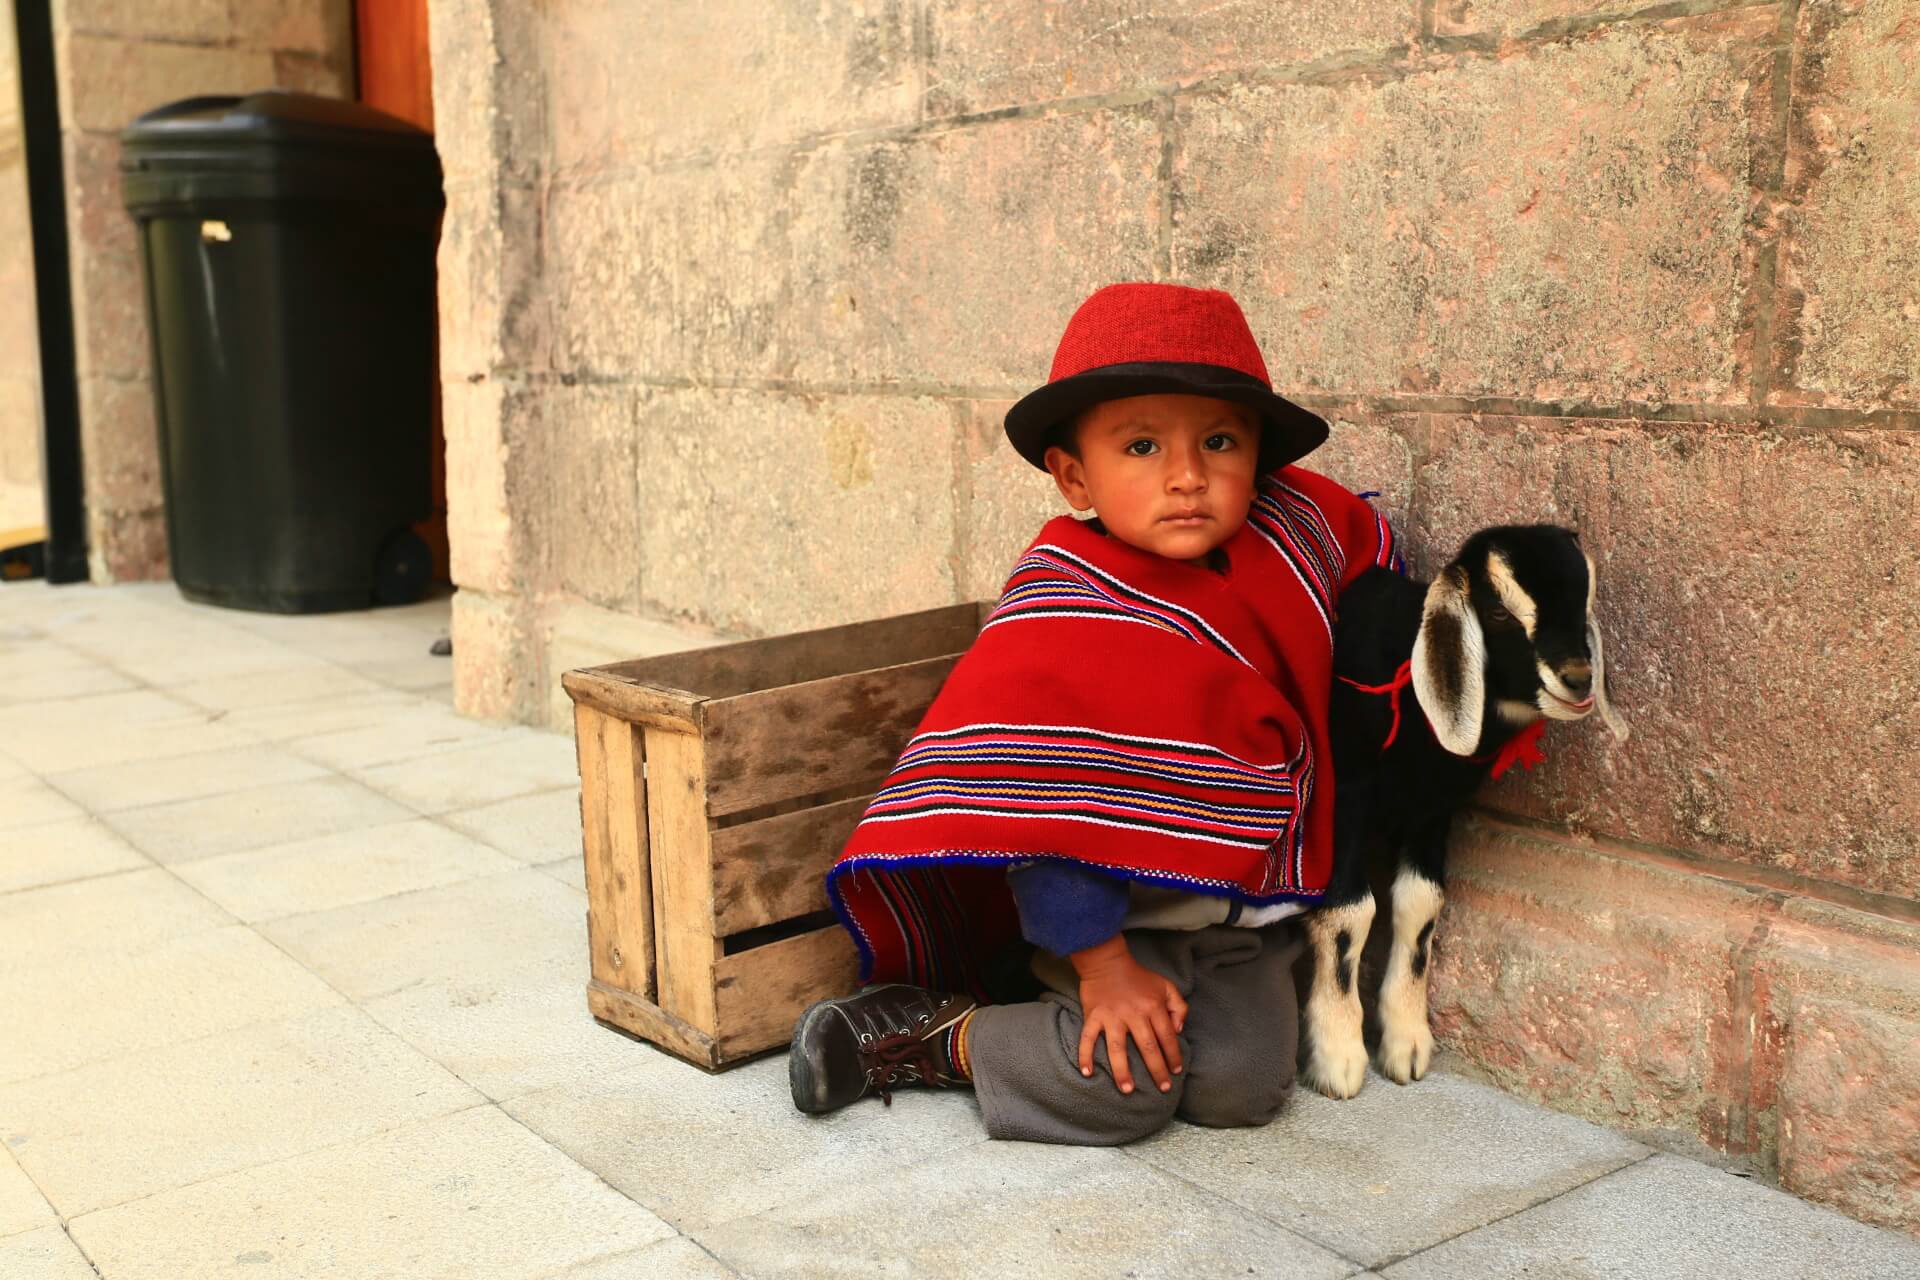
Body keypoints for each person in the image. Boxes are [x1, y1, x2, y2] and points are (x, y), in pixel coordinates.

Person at [788, 282, 1397, 1145]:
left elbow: (1373, 578)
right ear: (1075, 474)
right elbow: (1033, 806)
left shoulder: (1286, 552)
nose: (1188, 476)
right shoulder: (1063, 609)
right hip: (1107, 922)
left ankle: (1168, 1026)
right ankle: (935, 1035)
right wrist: (1106, 970)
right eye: (1141, 446)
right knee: (1125, 1095)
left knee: (1244, 1091)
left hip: (1237, 923)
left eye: (1220, 441)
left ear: (1260, 459)